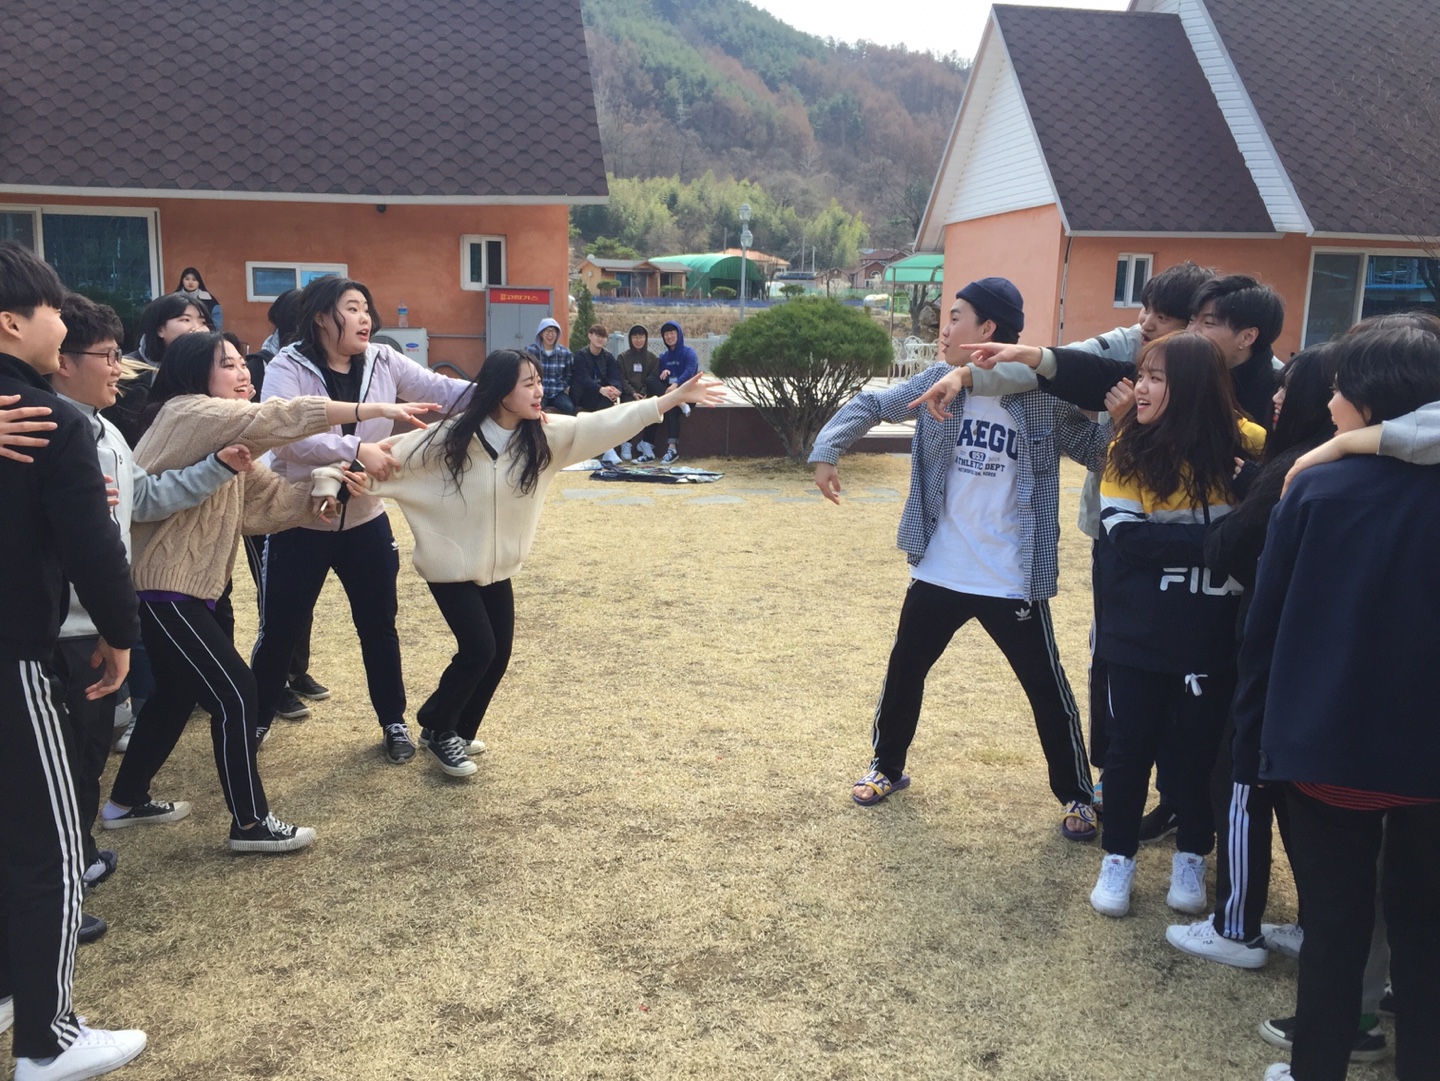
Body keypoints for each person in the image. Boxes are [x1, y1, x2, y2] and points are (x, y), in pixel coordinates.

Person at [100, 330, 435, 852]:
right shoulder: (191, 412)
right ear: (195, 372)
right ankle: (250, 824)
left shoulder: (227, 440)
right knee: (238, 694)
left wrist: (328, 487)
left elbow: (269, 502)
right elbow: (279, 417)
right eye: (229, 364)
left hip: (185, 590)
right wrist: (373, 412)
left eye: (243, 363)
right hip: (163, 588)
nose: (244, 373)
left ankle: (125, 801)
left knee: (176, 693)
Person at [811, 279, 1107, 839]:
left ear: (987, 330)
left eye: (955, 317)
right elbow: (871, 403)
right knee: (905, 672)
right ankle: (886, 767)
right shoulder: (936, 382)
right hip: (940, 566)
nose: (943, 329)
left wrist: (1124, 415)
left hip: (1011, 575)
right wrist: (829, 450)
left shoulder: (1042, 397)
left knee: (1047, 689)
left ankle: (1077, 793)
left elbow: (1098, 453)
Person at [347, 351, 724, 776]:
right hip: (449, 565)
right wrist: (339, 481)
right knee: (479, 649)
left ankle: (457, 730)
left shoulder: (544, 437)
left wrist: (670, 400)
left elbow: (603, 424)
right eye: (528, 383)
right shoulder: (450, 436)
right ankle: (437, 726)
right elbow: (386, 459)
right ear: (500, 391)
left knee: (498, 654)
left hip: (498, 568)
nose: (539, 391)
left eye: (539, 381)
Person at [1233, 323, 1440, 1081]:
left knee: (1334, 929)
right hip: (1428, 762)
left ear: (1370, 399)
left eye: (1339, 386)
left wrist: (1252, 745)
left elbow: (1265, 625)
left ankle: (1315, 1066)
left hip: (1326, 748)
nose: (1329, 401)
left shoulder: (1316, 487)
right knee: (1425, 934)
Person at [1040, 331, 1264, 918]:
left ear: (1191, 386)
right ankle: (1118, 858)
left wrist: (1222, 527)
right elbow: (1129, 538)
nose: (1138, 388)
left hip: (1214, 636)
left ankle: (1192, 854)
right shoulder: (1127, 447)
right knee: (1129, 750)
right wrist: (1223, 537)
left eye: (1156, 378)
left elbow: (1270, 526)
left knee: (1197, 754)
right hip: (1137, 636)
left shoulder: (1249, 445)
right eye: (1141, 374)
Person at [49, 294, 242, 941]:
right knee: (57, 761)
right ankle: (56, 886)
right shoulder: (42, 426)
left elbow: (148, 497)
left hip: (101, 618)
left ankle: (78, 852)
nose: (119, 368)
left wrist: (218, 468)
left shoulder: (106, 432)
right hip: (59, 622)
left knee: (88, 750)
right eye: (106, 356)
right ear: (60, 360)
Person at [0, 240, 148, 1080]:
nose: (64, 321)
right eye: (54, 307)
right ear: (12, 322)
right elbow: (95, 547)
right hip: (17, 657)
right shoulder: (52, 421)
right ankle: (47, 1038)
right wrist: (120, 634)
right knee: (52, 846)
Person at [1161, 343, 1336, 967]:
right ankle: (1316, 925)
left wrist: (1248, 495)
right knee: (1298, 796)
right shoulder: (1343, 462)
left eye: (1294, 386)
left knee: (1239, 781)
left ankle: (1236, 927)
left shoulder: (1297, 470)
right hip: (1320, 660)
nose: (1278, 396)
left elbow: (1231, 546)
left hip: (1269, 652)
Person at [249, 277, 472, 762]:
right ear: (321, 316)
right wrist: (356, 449)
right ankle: (257, 719)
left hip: (366, 518)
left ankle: (394, 722)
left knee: (379, 626)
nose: (365, 317)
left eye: (367, 307)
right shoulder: (287, 365)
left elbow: (441, 391)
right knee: (281, 629)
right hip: (299, 519)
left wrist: (500, 390)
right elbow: (285, 436)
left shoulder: (384, 359)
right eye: (352, 308)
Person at [103, 292, 209, 448]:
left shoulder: (205, 371)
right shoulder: (127, 373)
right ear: (160, 329)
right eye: (185, 320)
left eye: (203, 322)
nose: (197, 329)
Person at [572, 322, 624, 464]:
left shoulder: (608, 356)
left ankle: (608, 450)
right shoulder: (581, 355)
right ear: (590, 336)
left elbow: (615, 377)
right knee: (600, 408)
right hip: (583, 394)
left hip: (603, 394)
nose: (600, 339)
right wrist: (601, 389)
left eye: (603, 337)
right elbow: (583, 379)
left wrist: (615, 390)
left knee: (608, 403)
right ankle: (602, 449)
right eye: (597, 335)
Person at [617, 323, 665, 461]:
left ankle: (647, 443)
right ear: (630, 339)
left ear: (646, 338)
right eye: (635, 337)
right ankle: (626, 442)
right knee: (627, 407)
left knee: (654, 407)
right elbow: (622, 378)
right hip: (628, 393)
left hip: (646, 393)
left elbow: (652, 378)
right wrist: (633, 393)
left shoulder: (653, 358)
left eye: (641, 336)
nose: (638, 340)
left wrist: (643, 392)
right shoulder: (622, 357)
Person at [656, 320, 699, 463]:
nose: (669, 337)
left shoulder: (689, 353)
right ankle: (679, 402)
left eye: (672, 333)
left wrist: (676, 384)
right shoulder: (663, 357)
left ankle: (672, 449)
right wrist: (663, 373)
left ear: (679, 334)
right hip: (673, 396)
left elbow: (690, 371)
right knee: (669, 402)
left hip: (688, 394)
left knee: (671, 406)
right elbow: (658, 376)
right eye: (666, 334)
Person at [526, 316, 574, 415]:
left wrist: (561, 386)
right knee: (533, 409)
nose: (550, 335)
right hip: (538, 391)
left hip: (557, 392)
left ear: (557, 334)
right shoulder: (530, 351)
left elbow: (569, 374)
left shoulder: (565, 353)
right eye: (547, 331)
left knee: (569, 407)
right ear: (541, 333)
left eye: (553, 332)